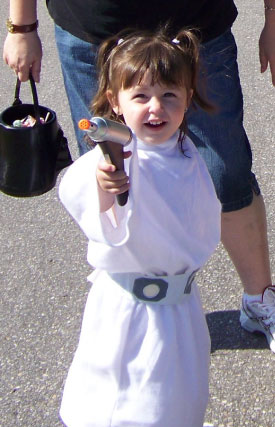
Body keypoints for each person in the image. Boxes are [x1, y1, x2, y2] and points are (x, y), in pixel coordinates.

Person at [3, 1, 275, 354]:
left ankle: (258, 299)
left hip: (198, 30)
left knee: (226, 174)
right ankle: (133, 316)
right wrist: (22, 27)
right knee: (112, 183)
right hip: (92, 32)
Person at [58, 27, 221, 427]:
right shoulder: (120, 157)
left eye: (169, 95)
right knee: (142, 388)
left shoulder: (182, 148)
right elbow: (88, 187)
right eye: (141, 95)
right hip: (137, 308)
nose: (156, 108)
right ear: (115, 102)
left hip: (179, 300)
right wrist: (106, 183)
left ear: (188, 100)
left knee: (180, 382)